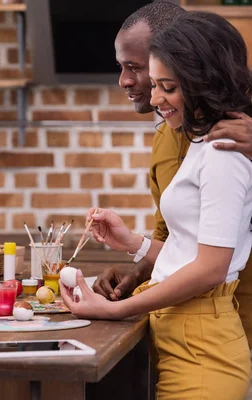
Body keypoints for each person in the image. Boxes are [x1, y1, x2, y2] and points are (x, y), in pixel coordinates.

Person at [62, 11, 252, 399]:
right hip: (181, 329)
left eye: (160, 81)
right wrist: (135, 246)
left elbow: (211, 266)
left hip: (214, 329)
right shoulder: (180, 136)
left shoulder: (228, 145)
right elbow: (186, 243)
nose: (134, 85)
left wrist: (117, 310)